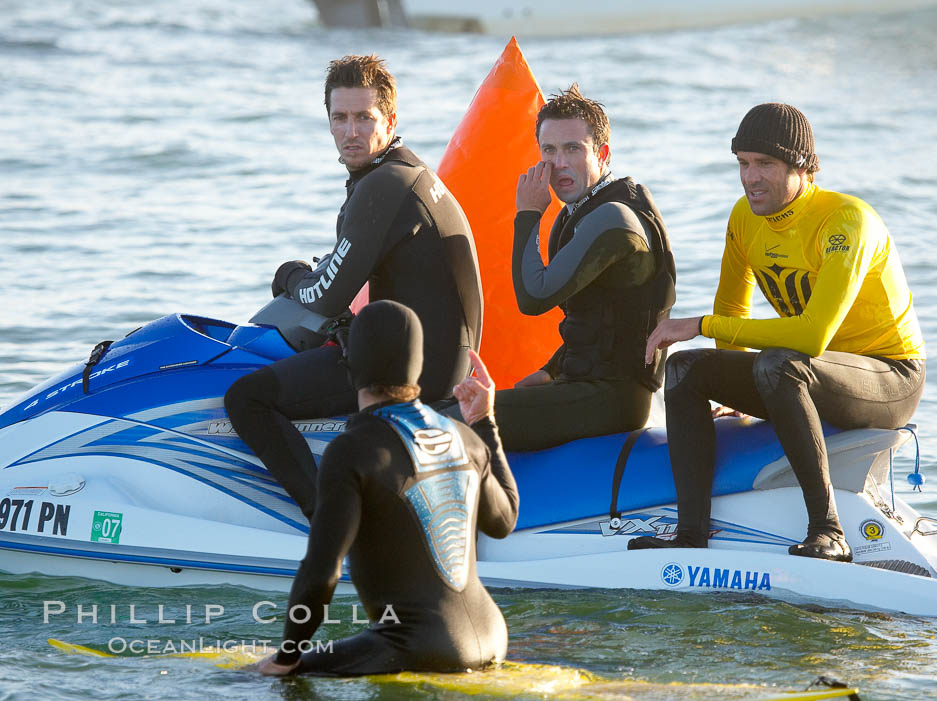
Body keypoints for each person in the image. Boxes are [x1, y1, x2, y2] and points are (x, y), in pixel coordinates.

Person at [628, 103, 925, 562]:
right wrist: (727, 375)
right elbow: (732, 305)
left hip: (890, 377)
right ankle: (691, 534)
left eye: (765, 164)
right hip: (813, 371)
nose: (751, 178)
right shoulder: (745, 219)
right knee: (687, 369)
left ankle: (828, 531)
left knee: (779, 363)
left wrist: (700, 325)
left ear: (801, 167)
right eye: (743, 164)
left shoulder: (846, 222)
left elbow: (812, 336)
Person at [224, 54, 483, 519]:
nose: (351, 131)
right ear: (327, 122)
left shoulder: (384, 186)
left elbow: (324, 296)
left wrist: (289, 275)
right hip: (433, 361)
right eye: (340, 118)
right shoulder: (406, 174)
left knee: (246, 398)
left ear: (390, 121)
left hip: (413, 374)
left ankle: (328, 521)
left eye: (365, 117)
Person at [252, 300, 518, 677]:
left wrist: (287, 656)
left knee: (254, 678)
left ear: (350, 367)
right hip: (492, 637)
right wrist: (485, 422)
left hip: (416, 648)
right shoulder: (463, 436)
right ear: (418, 367)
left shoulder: (353, 451)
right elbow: (504, 520)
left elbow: (321, 574)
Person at [463, 84, 675, 451]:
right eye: (549, 150)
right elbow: (598, 318)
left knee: (453, 417)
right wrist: (550, 370)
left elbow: (533, 297)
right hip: (582, 386)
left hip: (614, 399)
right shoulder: (575, 214)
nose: (559, 163)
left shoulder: (614, 219)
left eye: (573, 149)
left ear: (602, 153)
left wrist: (527, 215)